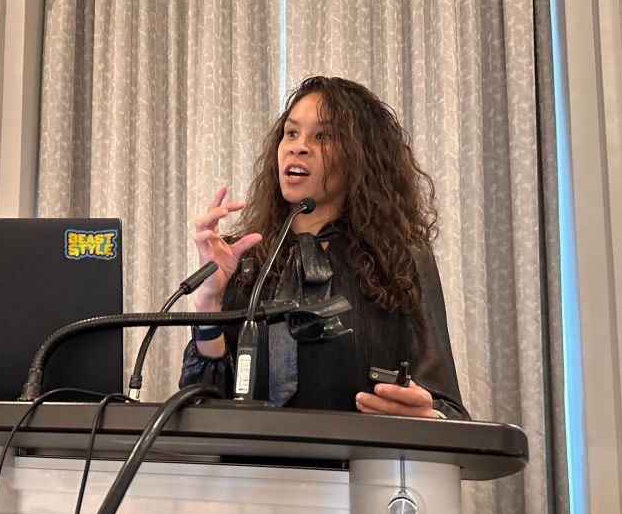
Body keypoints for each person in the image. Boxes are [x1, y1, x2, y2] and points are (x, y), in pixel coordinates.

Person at [179, 76, 468, 420]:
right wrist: (209, 302)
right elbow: (203, 406)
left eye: (323, 136)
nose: (298, 147)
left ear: (360, 157)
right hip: (253, 470)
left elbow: (447, 408)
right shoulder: (242, 258)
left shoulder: (401, 259)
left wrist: (426, 416)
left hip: (360, 470)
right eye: (292, 132)